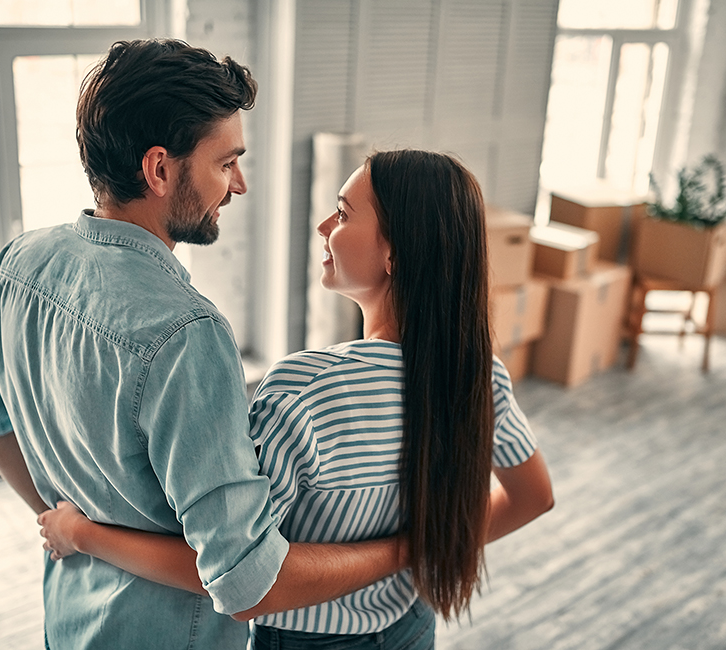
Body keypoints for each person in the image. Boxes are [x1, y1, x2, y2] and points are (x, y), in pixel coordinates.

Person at [0, 39, 408, 650]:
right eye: (226, 164)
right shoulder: (186, 335)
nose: (240, 184)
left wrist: (65, 516)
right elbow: (247, 579)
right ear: (161, 170)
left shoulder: (21, 261)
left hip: (69, 619)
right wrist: (402, 550)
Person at [38, 150, 555, 649]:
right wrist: (425, 547)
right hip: (411, 624)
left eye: (344, 213)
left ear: (395, 251)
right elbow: (534, 497)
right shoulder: (478, 373)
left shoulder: (306, 390)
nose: (324, 225)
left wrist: (83, 534)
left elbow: (237, 576)